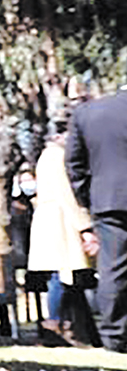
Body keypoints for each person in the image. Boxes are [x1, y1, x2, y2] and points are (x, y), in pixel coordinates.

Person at [28, 115, 99, 347]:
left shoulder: (47, 156)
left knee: (65, 276)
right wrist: (85, 225)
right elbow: (67, 195)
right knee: (63, 274)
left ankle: (75, 327)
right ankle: (55, 322)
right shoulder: (57, 157)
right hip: (60, 220)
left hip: (53, 218)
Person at [65, 89, 127, 354]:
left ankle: (115, 338)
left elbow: (74, 163)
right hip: (107, 199)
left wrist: (88, 200)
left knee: (113, 268)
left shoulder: (88, 112)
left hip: (108, 200)